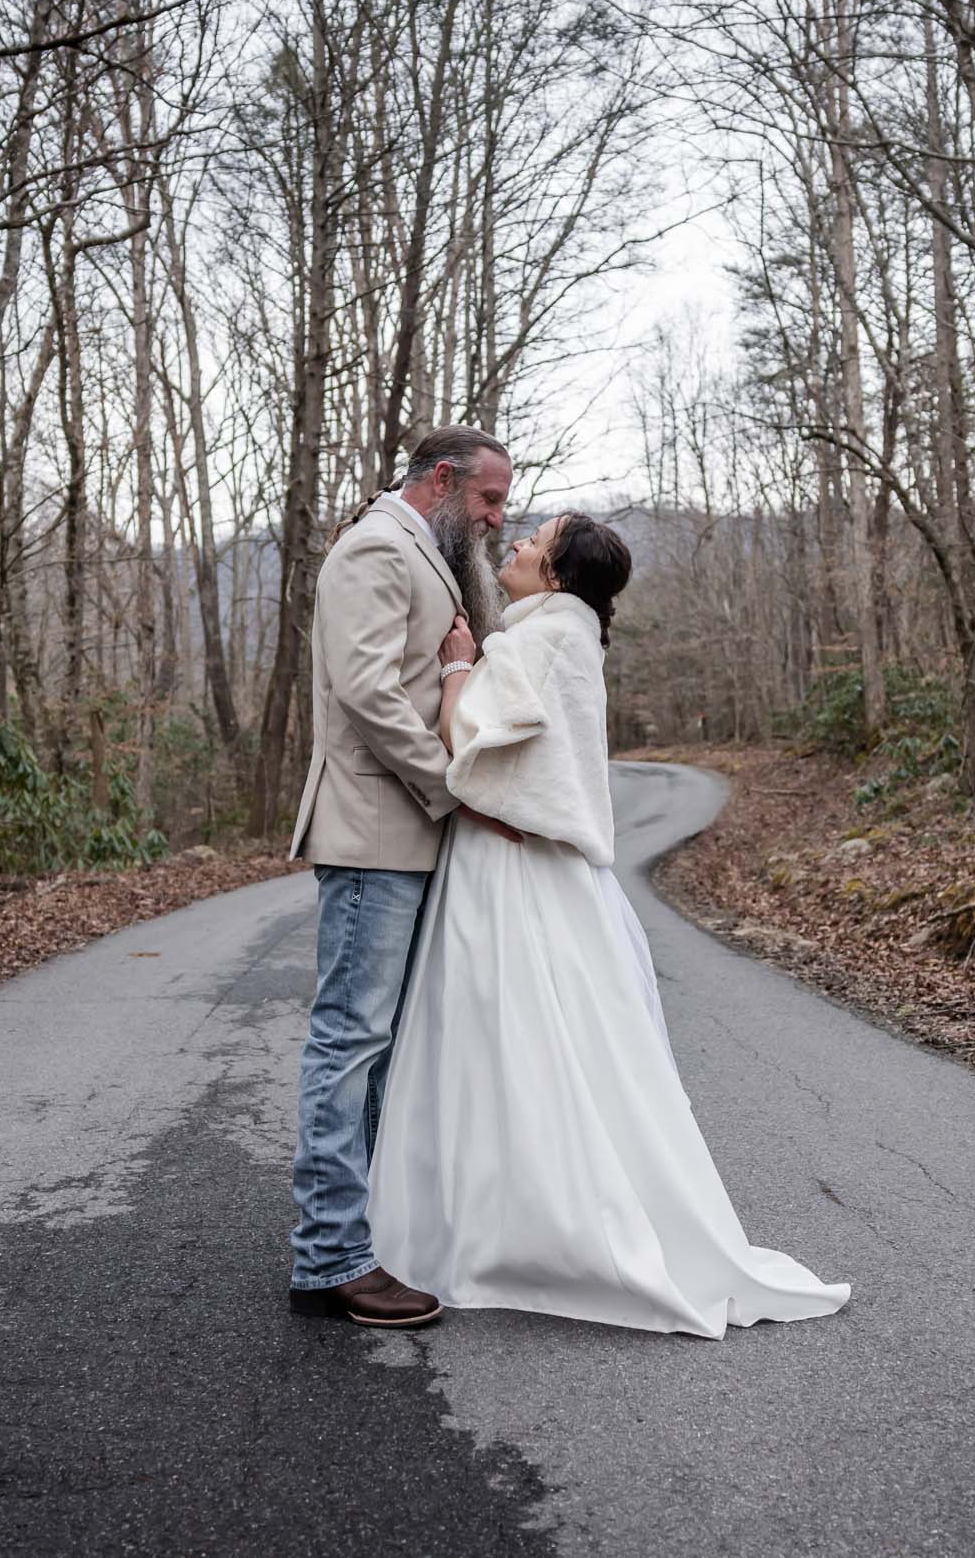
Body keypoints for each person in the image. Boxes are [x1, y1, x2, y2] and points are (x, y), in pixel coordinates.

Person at [366, 513, 851, 1337]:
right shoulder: (574, 636)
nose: (514, 546)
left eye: (533, 542)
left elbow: (466, 747)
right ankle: (540, 1214)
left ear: (555, 574)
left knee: (500, 1040)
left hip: (508, 868)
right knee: (574, 1050)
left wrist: (455, 668)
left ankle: (504, 1227)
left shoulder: (535, 640)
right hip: (563, 874)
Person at [284, 425, 520, 1329]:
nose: (497, 518)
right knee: (349, 1043)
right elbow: (368, 692)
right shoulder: (375, 549)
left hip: (409, 837)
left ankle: (366, 1234)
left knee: (383, 1047)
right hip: (375, 832)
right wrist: (452, 787)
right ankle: (330, 1258)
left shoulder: (427, 552)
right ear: (444, 480)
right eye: (489, 500)